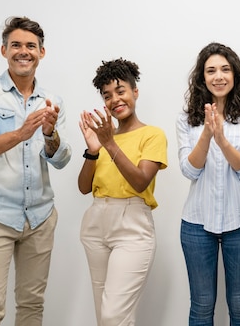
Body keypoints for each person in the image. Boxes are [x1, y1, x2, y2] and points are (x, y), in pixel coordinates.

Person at [0, 16, 72, 325]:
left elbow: (60, 160)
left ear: (42, 53)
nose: (24, 51)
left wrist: (49, 134)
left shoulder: (52, 101)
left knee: (32, 306)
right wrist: (19, 135)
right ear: (4, 50)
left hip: (40, 217)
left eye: (31, 46)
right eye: (16, 45)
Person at [176, 42, 240, 325]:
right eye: (211, 70)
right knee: (201, 306)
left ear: (235, 74)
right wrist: (206, 133)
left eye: (225, 69)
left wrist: (222, 140)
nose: (218, 76)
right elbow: (189, 170)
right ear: (202, 78)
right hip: (196, 224)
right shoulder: (185, 119)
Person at [78, 58, 168, 326]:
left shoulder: (152, 135)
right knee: (103, 314)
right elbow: (84, 187)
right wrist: (93, 151)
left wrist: (108, 143)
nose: (115, 99)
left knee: (113, 315)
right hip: (96, 222)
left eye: (120, 91)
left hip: (132, 226)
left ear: (135, 92)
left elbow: (140, 181)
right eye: (107, 95)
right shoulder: (103, 137)